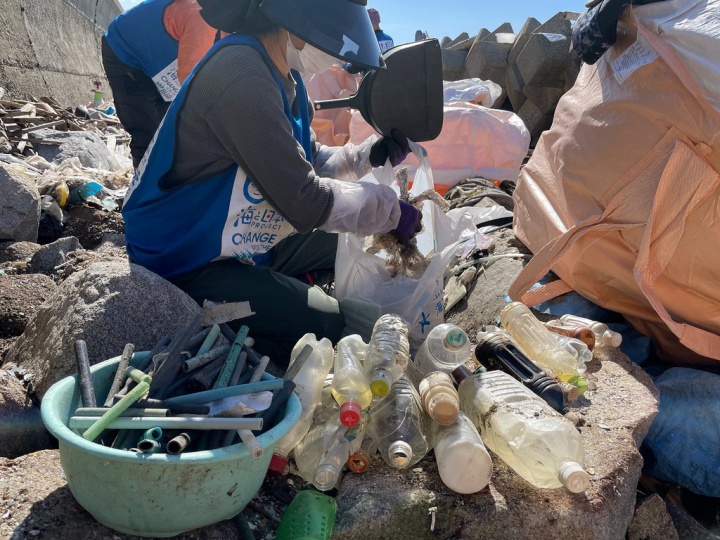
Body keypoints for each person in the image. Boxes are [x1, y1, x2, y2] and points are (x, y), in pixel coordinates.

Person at [121, 0, 421, 363]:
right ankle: (254, 315)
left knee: (353, 242)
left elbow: (306, 162)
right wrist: (389, 210)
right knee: (327, 323)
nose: (332, 52)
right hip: (184, 256)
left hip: (238, 234)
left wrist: (364, 157)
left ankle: (275, 287)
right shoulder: (240, 74)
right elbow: (304, 199)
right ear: (293, 19)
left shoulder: (288, 80)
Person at [102, 0, 219, 168]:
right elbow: (190, 79)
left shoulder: (230, 30)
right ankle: (143, 187)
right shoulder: (204, 17)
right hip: (124, 51)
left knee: (169, 126)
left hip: (159, 63)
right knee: (146, 128)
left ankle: (166, 174)